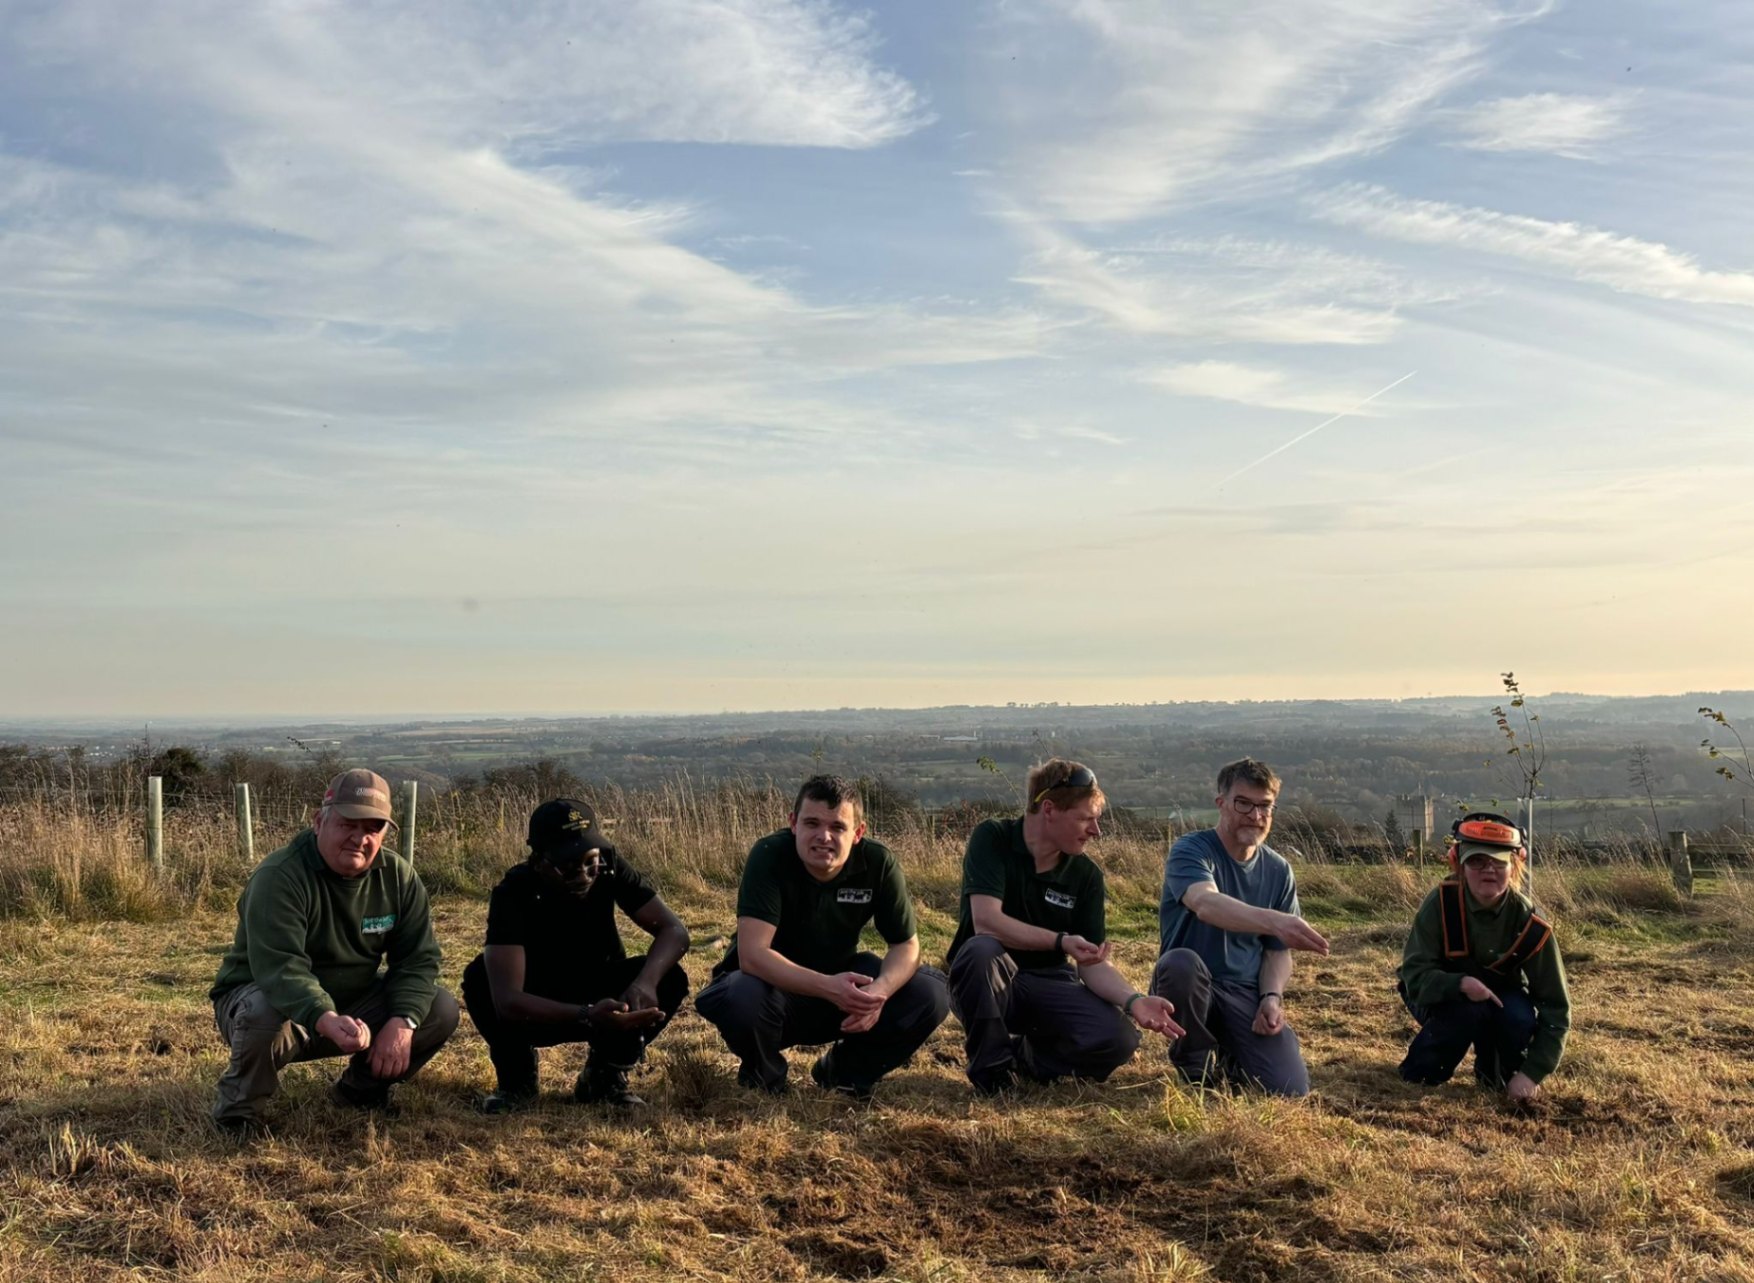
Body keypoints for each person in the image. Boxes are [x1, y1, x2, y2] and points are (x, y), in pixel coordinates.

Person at [209, 768, 459, 1136]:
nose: (360, 838)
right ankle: (237, 1114)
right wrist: (325, 1017)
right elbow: (281, 968)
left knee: (438, 1008)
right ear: (319, 821)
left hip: (351, 1002)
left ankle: (359, 1093)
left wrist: (402, 1021)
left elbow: (418, 960)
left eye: (373, 828)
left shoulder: (398, 876)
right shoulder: (279, 876)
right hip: (264, 998)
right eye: (348, 824)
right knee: (264, 1013)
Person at [695, 775, 949, 1097]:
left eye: (838, 827)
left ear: (858, 833)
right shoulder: (770, 854)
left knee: (930, 991)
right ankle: (764, 1079)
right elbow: (753, 955)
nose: (823, 836)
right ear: (793, 823)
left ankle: (846, 1072)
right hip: (772, 992)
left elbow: (906, 946)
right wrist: (829, 988)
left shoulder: (878, 863)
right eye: (812, 823)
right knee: (741, 993)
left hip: (841, 984)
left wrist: (878, 994)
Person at [947, 759, 1182, 1097]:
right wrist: (1060, 942)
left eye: (1096, 820)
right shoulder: (993, 837)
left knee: (1119, 1040)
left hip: (1049, 984)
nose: (1095, 831)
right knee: (982, 950)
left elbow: (1092, 964)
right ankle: (993, 1075)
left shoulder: (1086, 875)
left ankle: (1027, 1060)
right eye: (1086, 819)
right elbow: (987, 922)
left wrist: (1134, 1001)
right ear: (1049, 809)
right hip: (985, 981)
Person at [462, 799, 690, 1111]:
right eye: (568, 866)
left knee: (670, 977)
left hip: (602, 988)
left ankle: (605, 1075)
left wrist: (645, 984)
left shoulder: (610, 868)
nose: (583, 874)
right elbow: (507, 1000)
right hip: (539, 1001)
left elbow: (674, 931)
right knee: (480, 978)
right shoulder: (514, 891)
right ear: (539, 861)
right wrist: (586, 1014)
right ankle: (517, 1080)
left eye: (590, 861)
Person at [1150, 758, 1329, 1096]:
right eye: (1243, 804)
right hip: (1192, 984)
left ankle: (1234, 1058)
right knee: (1180, 964)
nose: (1255, 816)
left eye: (1265, 806)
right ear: (1221, 804)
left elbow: (1277, 954)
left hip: (1243, 991)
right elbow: (1205, 903)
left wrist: (1271, 997)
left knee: (1289, 1089)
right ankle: (1195, 1069)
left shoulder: (1278, 871)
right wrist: (1274, 920)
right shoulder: (1192, 850)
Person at [1397, 811, 1570, 1103]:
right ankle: (1421, 1072)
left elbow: (1556, 1009)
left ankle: (1495, 1073)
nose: (1488, 869)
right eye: (1477, 861)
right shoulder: (1439, 904)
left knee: (1517, 1017)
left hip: (1501, 994)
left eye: (1498, 862)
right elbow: (1414, 976)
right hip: (1440, 993)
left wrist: (1531, 1074)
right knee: (1465, 1013)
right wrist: (1460, 984)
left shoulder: (1530, 924)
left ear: (1514, 867)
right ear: (1459, 864)